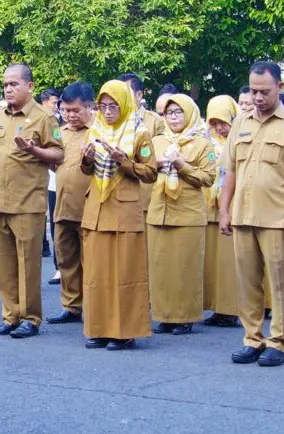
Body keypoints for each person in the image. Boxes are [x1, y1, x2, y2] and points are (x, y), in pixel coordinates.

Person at [222, 62, 284, 367]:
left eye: (264, 91)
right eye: (253, 90)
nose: (258, 97)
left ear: (279, 87)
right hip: (243, 215)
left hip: (276, 218)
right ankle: (252, 339)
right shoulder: (240, 123)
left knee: (279, 283)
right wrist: (224, 210)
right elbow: (230, 171)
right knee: (247, 282)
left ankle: (279, 342)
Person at [0, 63, 63, 339]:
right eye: (5, 84)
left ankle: (31, 318)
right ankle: (10, 316)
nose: (8, 88)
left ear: (30, 86)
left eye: (14, 84)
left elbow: (59, 156)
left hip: (27, 203)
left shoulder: (44, 118)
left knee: (28, 264)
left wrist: (34, 149)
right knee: (5, 262)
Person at [79, 79, 156, 350]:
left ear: (124, 105)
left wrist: (123, 160)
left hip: (124, 209)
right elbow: (87, 171)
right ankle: (99, 329)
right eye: (103, 106)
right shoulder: (95, 130)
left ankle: (124, 332)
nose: (108, 111)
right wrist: (87, 159)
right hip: (97, 209)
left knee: (125, 273)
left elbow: (150, 172)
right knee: (97, 274)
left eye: (114, 106)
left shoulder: (139, 132)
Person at [147, 92, 216, 334]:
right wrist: (153, 165)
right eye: (169, 113)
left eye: (178, 112)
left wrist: (181, 165)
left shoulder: (202, 144)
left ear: (189, 114)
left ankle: (185, 316)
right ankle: (165, 315)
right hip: (159, 210)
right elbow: (144, 170)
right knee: (160, 267)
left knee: (185, 267)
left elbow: (208, 177)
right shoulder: (156, 141)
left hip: (187, 213)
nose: (173, 117)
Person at [48, 83, 91, 324]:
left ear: (89, 106)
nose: (70, 115)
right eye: (66, 110)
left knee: (91, 262)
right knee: (65, 258)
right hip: (63, 207)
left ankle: (93, 306)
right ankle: (71, 306)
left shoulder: (98, 132)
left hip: (89, 209)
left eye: (75, 110)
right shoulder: (60, 133)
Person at [201, 94, 242, 328]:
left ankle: (230, 308)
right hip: (209, 206)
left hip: (233, 205)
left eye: (223, 122)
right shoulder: (206, 141)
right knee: (213, 260)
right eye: (214, 123)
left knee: (229, 261)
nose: (219, 128)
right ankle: (216, 306)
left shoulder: (240, 139)